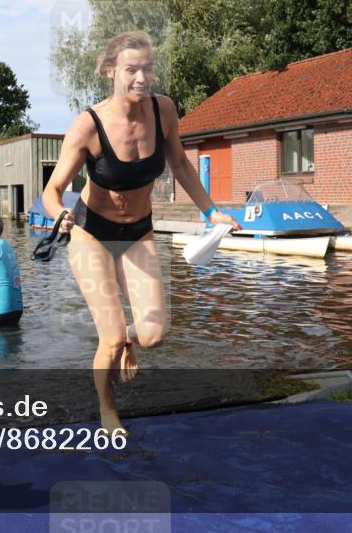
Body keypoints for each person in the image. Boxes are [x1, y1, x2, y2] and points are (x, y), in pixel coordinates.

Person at [41, 30, 240, 435]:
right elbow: (52, 190)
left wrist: (212, 212)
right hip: (91, 233)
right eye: (132, 69)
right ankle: (107, 410)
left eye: (148, 69)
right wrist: (59, 213)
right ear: (111, 71)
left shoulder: (163, 110)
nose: (141, 78)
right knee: (110, 339)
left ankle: (128, 340)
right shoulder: (87, 126)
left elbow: (182, 165)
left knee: (153, 335)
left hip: (139, 232)